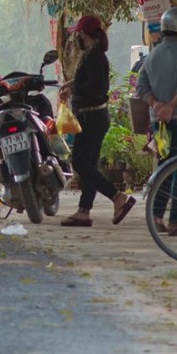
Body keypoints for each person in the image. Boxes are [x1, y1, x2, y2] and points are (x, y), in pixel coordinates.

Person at [61, 15, 136, 228]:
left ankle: (117, 197)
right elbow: (90, 80)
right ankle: (84, 211)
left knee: (80, 163)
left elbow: (99, 88)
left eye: (78, 33)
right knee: (90, 165)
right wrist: (71, 84)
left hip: (91, 116)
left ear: (84, 34)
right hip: (95, 116)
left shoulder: (93, 55)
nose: (76, 37)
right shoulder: (94, 54)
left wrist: (74, 88)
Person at [136, 6, 177, 237]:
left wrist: (157, 105)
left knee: (164, 168)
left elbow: (141, 87)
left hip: (159, 122)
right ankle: (176, 221)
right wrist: (172, 106)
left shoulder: (152, 54)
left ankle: (156, 216)